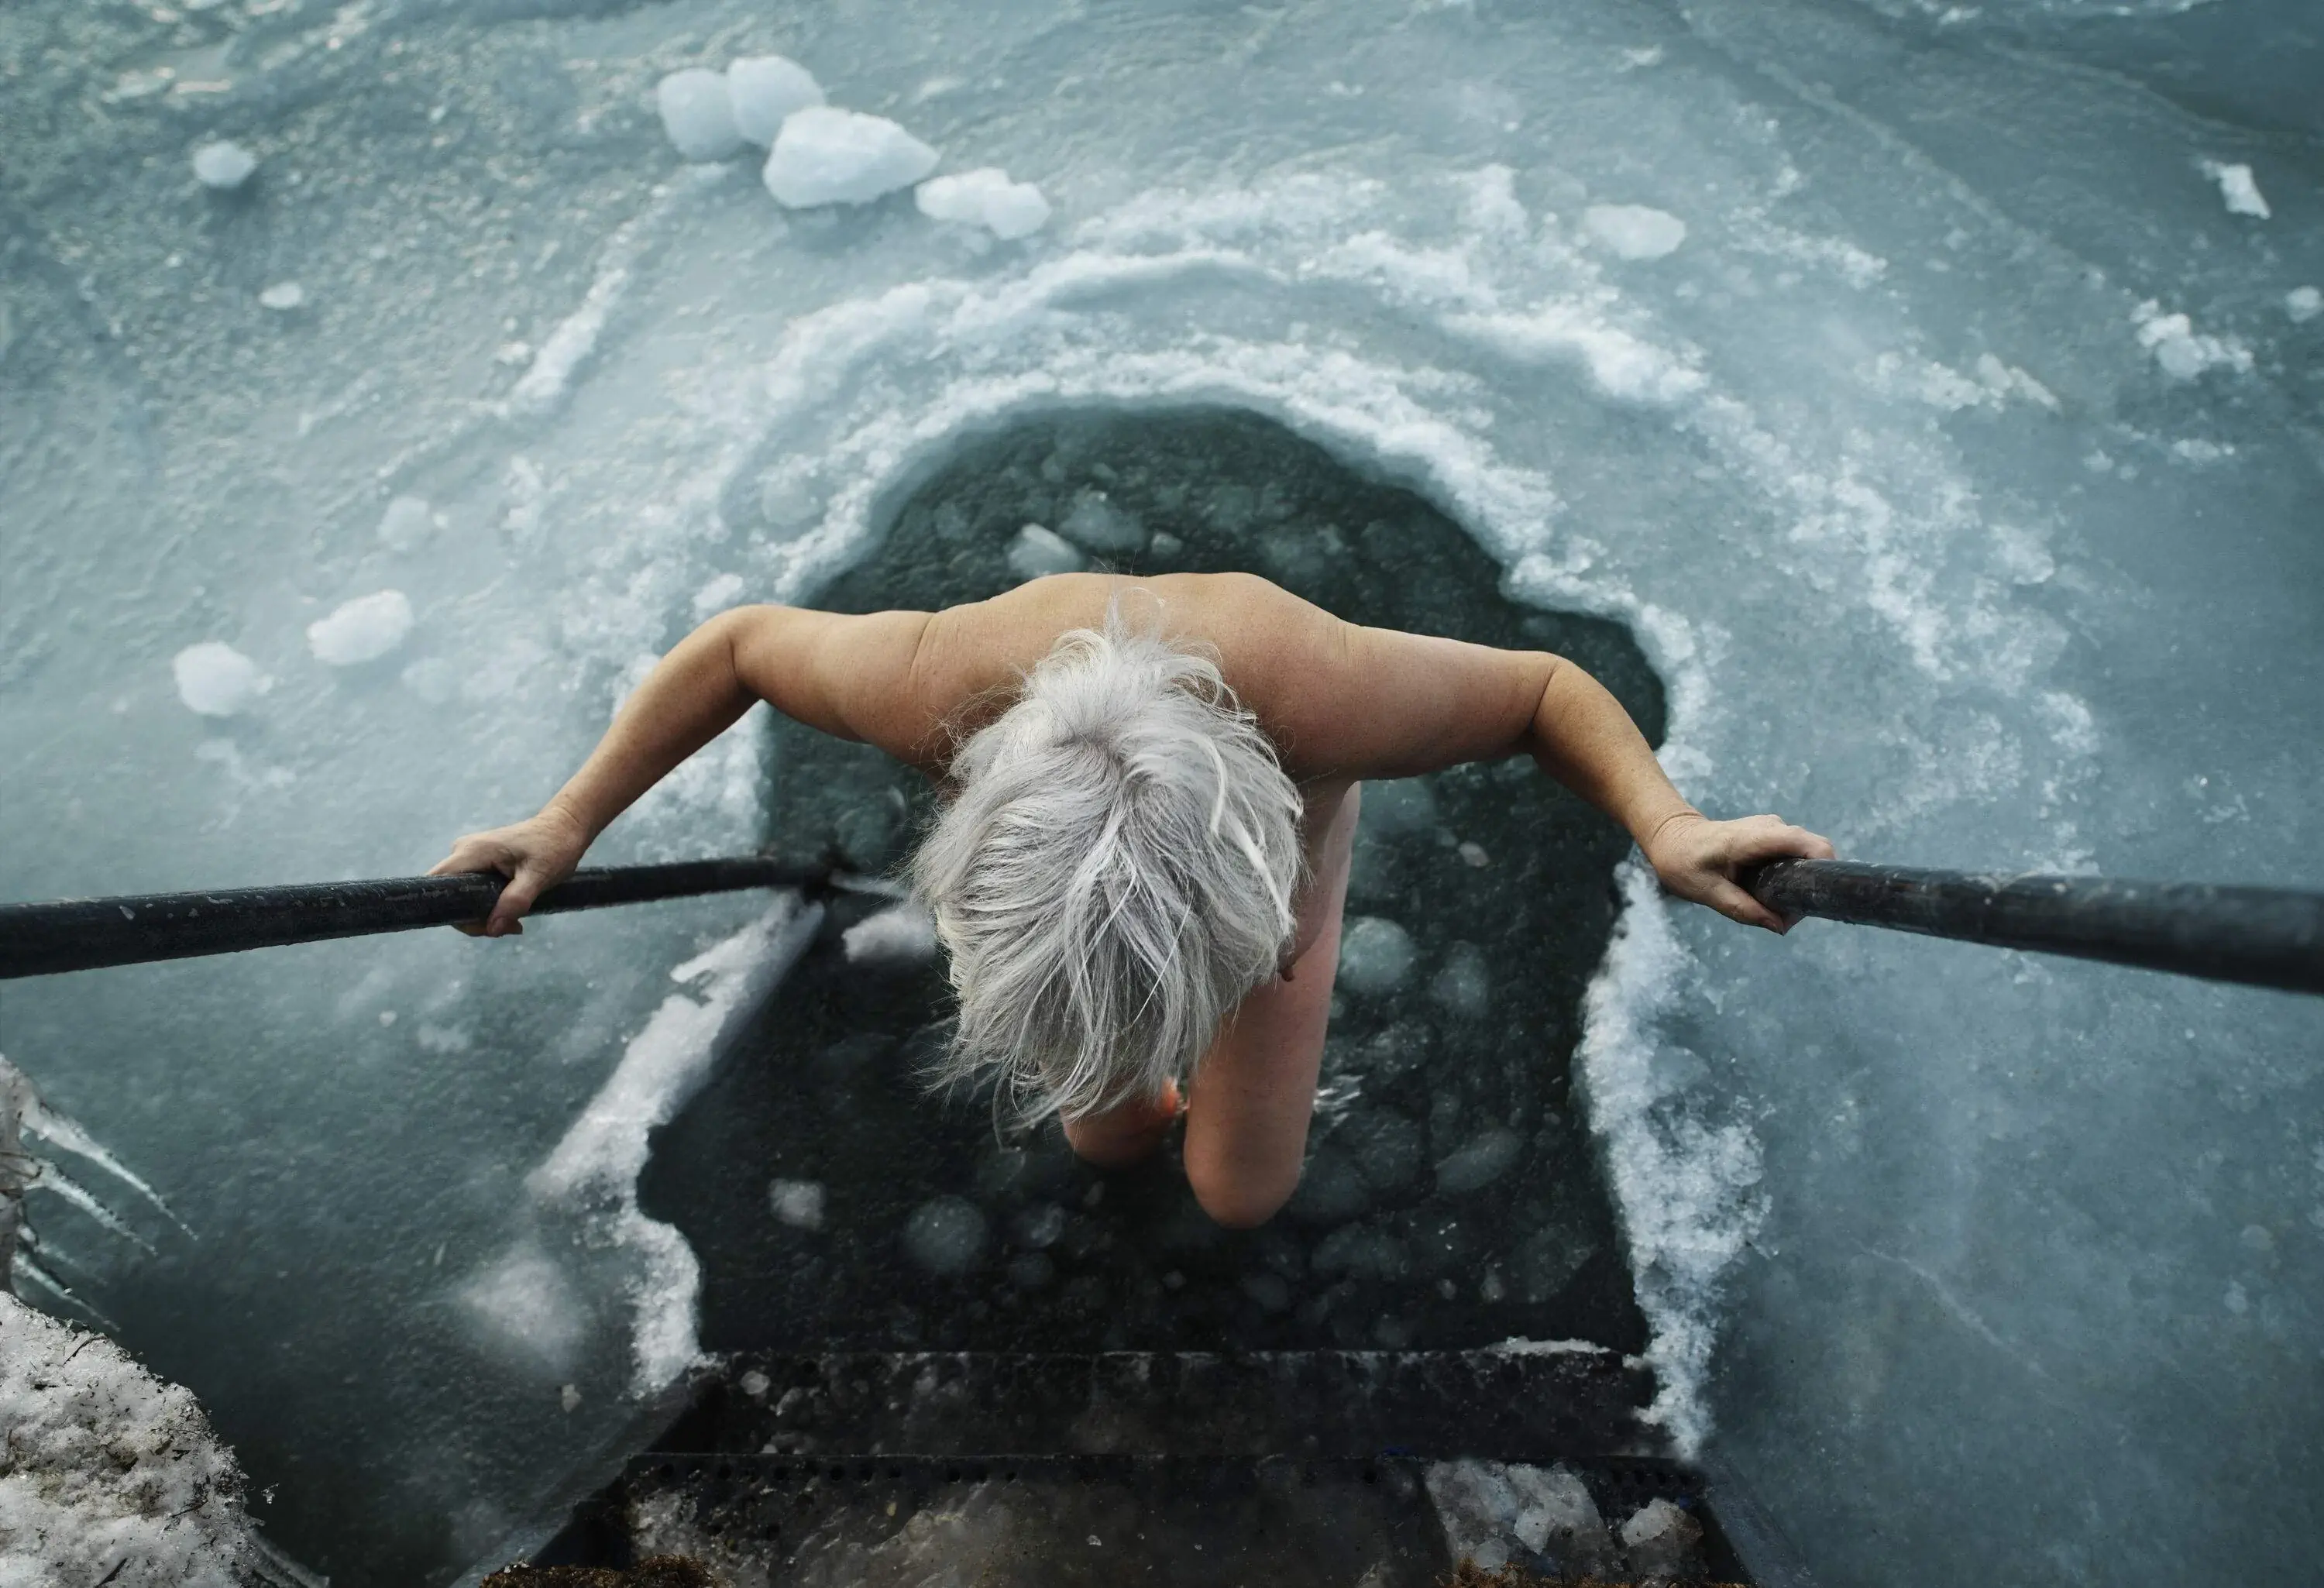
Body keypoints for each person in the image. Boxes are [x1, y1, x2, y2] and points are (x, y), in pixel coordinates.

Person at [431, 573, 1834, 1228]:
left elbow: (1537, 690)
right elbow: (736, 647)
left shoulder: (1319, 689)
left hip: (1263, 893)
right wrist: (566, 822)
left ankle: (1210, 1089)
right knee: (1104, 1134)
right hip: (1057, 893)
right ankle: (1108, 1081)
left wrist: (1666, 823)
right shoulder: (936, 680)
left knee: (1239, 1188)